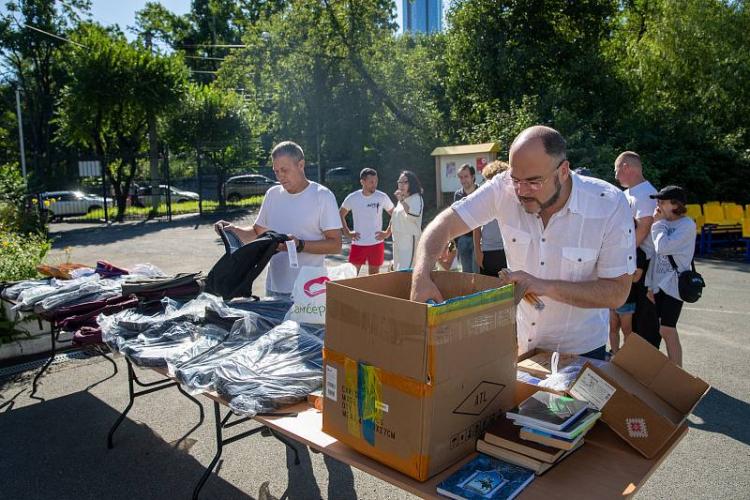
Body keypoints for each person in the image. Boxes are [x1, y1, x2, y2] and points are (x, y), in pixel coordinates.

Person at [410, 126, 635, 359]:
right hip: (520, 346)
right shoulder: (503, 188)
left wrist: (545, 286)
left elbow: (617, 291)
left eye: (534, 182)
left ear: (563, 171)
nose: (521, 191)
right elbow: (443, 225)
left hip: (582, 352)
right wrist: (421, 276)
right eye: (516, 179)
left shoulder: (608, 205)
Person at [214, 141, 342, 298]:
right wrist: (233, 230)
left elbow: (335, 244)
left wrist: (299, 245)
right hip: (274, 289)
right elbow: (257, 232)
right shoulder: (273, 194)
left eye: (284, 170)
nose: (280, 176)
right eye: (276, 171)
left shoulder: (323, 196)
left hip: (310, 291)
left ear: (301, 165)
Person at [613, 151, 661, 349]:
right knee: (627, 320)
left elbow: (644, 227)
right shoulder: (628, 194)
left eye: (616, 170)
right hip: (630, 261)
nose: (615, 176)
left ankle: (645, 363)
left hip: (644, 263)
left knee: (643, 320)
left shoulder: (646, 193)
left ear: (626, 167)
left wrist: (622, 255)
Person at [647, 186, 696, 367]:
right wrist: (651, 285)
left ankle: (677, 372)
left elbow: (663, 247)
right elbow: (655, 256)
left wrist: (657, 224)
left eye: (662, 201)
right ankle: (673, 371)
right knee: (663, 329)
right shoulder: (663, 222)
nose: (658, 204)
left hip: (674, 285)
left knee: (667, 329)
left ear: (675, 204)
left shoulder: (687, 225)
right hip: (660, 285)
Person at [339, 168, 394, 275]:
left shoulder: (382, 197)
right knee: (352, 275)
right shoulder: (353, 197)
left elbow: (395, 214)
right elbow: (340, 214)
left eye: (376, 181)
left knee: (373, 277)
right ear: (362, 182)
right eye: (371, 182)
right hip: (358, 243)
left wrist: (387, 232)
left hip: (376, 243)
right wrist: (346, 232)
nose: (375, 184)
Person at [472, 160, 508, 276]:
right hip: (487, 250)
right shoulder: (482, 198)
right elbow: (476, 227)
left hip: (507, 250)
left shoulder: (511, 197)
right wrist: (478, 252)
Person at [384, 170, 424, 270]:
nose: (401, 185)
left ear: (412, 183)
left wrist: (401, 201)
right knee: (398, 269)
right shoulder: (401, 199)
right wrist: (387, 232)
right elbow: (395, 217)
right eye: (399, 182)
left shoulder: (416, 198)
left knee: (406, 269)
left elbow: (413, 216)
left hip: (409, 239)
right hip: (397, 239)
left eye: (405, 182)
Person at [454, 164, 479, 273]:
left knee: (477, 272)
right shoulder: (458, 195)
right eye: (461, 177)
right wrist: (456, 240)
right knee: (466, 274)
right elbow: (456, 217)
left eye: (466, 176)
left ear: (473, 177)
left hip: (479, 239)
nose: (463, 180)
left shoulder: (481, 191)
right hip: (463, 239)